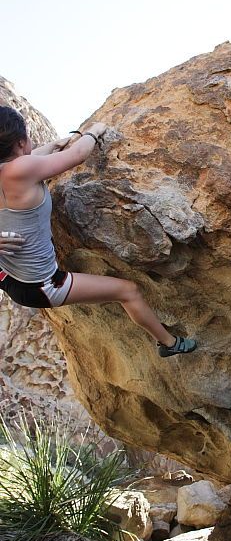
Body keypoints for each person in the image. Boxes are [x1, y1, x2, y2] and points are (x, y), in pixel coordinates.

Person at [0, 105, 196, 357]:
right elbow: (78, 155)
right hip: (41, 286)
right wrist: (94, 131)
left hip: (8, 276)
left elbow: (32, 158)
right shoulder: (23, 170)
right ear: (19, 143)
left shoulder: (17, 169)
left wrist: (55, 144)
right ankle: (170, 344)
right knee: (128, 291)